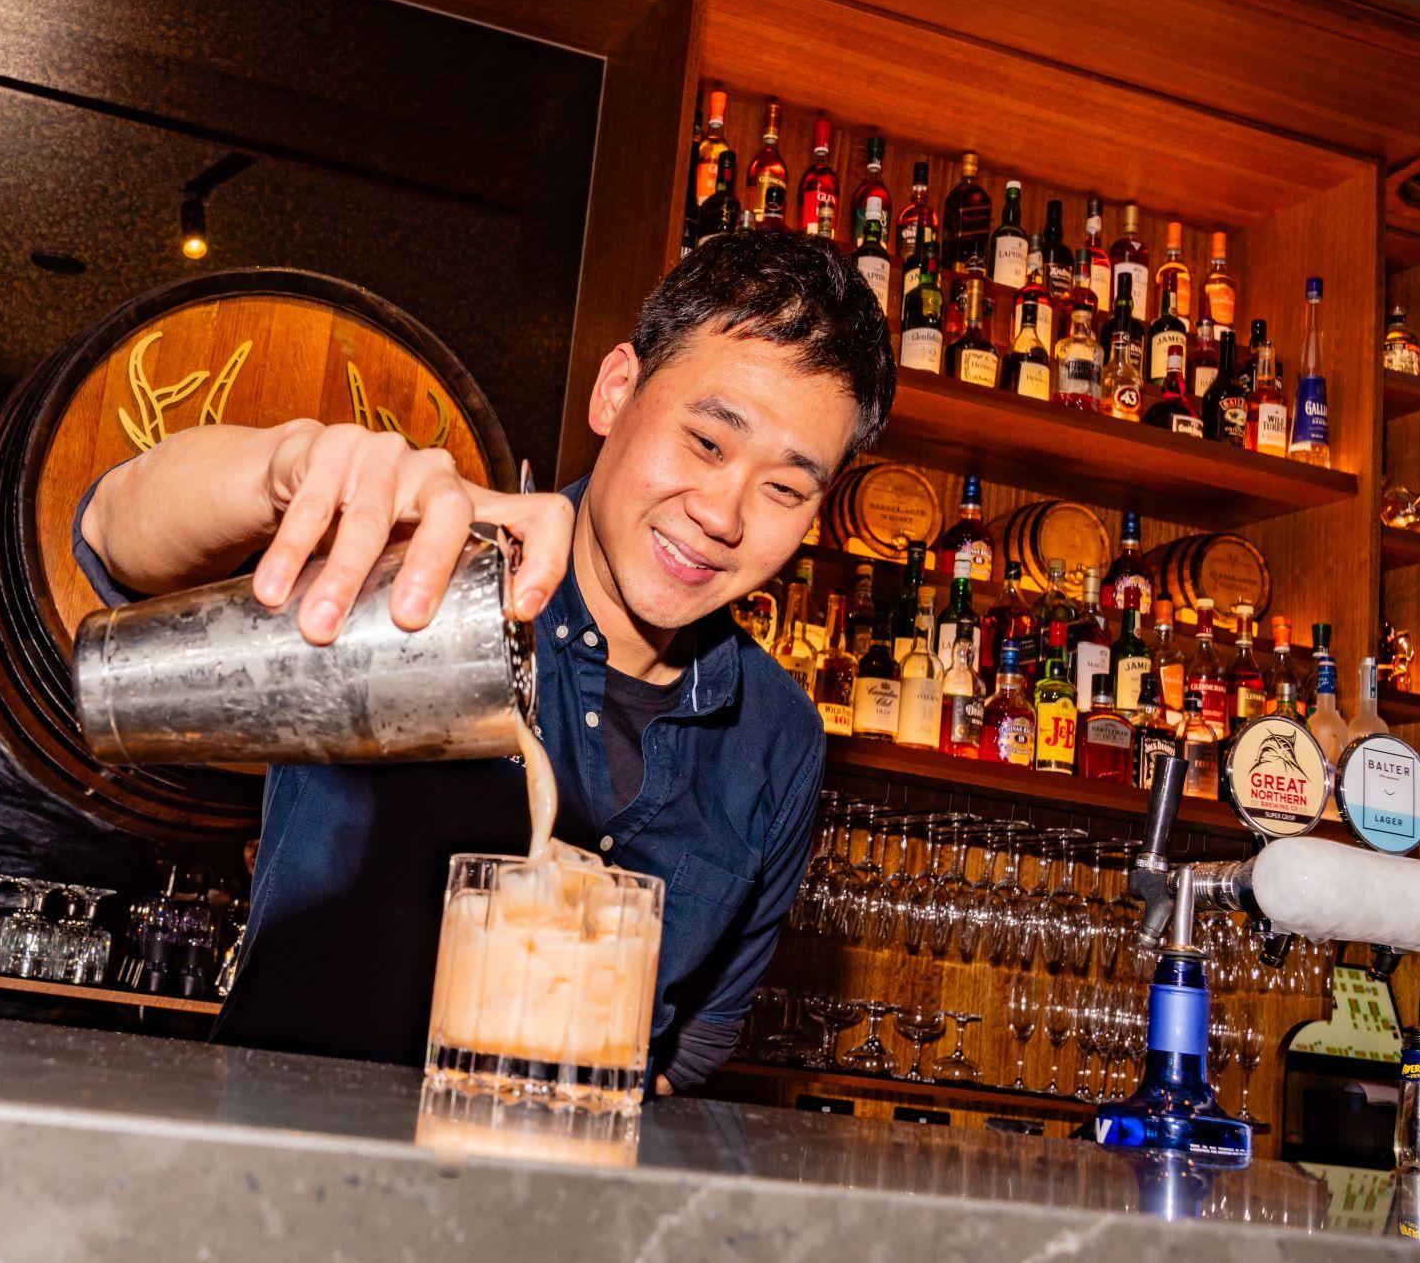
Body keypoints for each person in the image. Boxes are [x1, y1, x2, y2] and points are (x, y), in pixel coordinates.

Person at [74, 230, 894, 1092]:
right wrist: (286, 468)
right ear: (618, 389)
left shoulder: (778, 733)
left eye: (786, 488)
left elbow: (696, 1037)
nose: (724, 515)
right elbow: (112, 531)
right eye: (707, 442)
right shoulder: (427, 576)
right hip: (287, 1177)